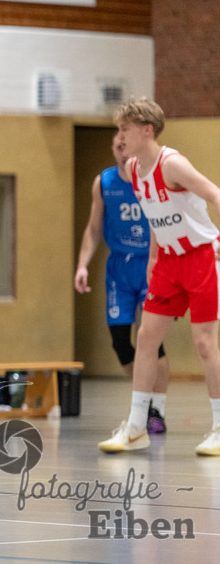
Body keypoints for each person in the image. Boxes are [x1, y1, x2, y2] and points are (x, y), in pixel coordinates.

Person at [99, 98, 220, 456]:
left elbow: (215, 193)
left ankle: (219, 425)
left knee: (203, 343)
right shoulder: (135, 168)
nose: (119, 137)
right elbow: (155, 214)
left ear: (146, 130)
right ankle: (136, 427)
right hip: (167, 262)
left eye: (125, 129)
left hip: (200, 257)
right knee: (146, 338)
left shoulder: (173, 164)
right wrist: (154, 255)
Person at [75, 133, 169, 433]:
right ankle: (145, 397)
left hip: (152, 263)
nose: (123, 151)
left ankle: (155, 410)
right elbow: (92, 228)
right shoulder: (103, 183)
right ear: (114, 150)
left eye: (127, 145)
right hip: (119, 266)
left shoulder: (154, 178)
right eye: (118, 146)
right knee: (120, 342)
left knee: (152, 339)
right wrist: (82, 265)